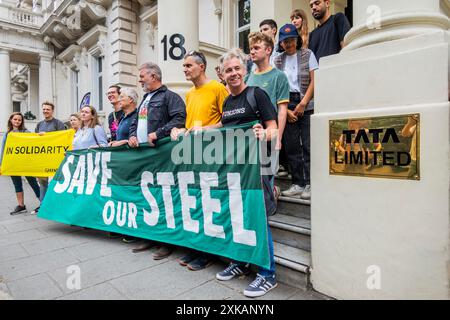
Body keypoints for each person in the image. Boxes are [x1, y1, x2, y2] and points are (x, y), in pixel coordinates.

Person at [211, 48, 279, 298]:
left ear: (245, 70)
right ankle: (240, 262)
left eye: (237, 68)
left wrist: (264, 134)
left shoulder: (256, 94)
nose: (233, 73)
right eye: (228, 70)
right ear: (223, 74)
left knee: (257, 218)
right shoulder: (228, 102)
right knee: (237, 216)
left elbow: (274, 128)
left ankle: (267, 274)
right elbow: (224, 127)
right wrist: (199, 131)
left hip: (258, 167)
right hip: (236, 169)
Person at [170, 50, 229, 271]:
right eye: (184, 66)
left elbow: (228, 121)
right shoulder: (190, 94)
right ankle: (196, 248)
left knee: (208, 203)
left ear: (201, 66)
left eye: (188, 66)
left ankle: (208, 253)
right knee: (194, 202)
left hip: (212, 154)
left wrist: (203, 130)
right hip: (193, 154)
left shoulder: (217, 88)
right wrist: (178, 130)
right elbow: (190, 125)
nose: (184, 69)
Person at [128, 62, 186, 260]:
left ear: (154, 76)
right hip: (143, 156)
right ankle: (150, 236)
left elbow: (179, 119)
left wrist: (158, 133)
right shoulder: (145, 99)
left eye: (142, 75)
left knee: (163, 198)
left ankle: (166, 241)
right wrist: (133, 135)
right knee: (146, 196)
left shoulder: (171, 97)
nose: (140, 79)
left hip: (161, 156)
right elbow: (135, 122)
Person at [274, 24, 319, 200]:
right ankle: (298, 183)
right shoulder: (277, 60)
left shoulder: (308, 54)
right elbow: (276, 85)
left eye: (291, 39)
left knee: (308, 145)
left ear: (297, 39)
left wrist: (303, 103)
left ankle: (310, 183)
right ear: (281, 43)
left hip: (305, 101)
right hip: (286, 104)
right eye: (285, 41)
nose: (289, 43)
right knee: (292, 147)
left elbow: (315, 81)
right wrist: (287, 111)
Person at [246, 31, 290, 206]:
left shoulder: (279, 76)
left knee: (267, 176)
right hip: (249, 138)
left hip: (269, 135)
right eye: (251, 48)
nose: (252, 51)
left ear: (268, 50)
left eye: (256, 48)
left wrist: (278, 137)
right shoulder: (247, 78)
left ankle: (272, 197)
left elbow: (282, 110)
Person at [0, 112, 41, 215]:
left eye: (19, 120)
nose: (17, 121)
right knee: (17, 185)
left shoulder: (26, 132)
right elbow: (3, 149)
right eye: (15, 119)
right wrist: (1, 164)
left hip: (26, 163)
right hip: (13, 163)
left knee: (33, 183)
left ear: (22, 121)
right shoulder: (7, 134)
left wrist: (39, 135)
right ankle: (21, 206)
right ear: (11, 120)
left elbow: (34, 140)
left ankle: (44, 203)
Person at [34, 101, 66, 213]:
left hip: (55, 158)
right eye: (44, 109)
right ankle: (43, 204)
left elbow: (63, 137)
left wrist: (47, 135)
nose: (45, 111)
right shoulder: (39, 124)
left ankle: (57, 204)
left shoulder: (58, 123)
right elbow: (36, 141)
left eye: (48, 109)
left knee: (56, 181)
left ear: (52, 110)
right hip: (43, 158)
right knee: (42, 182)